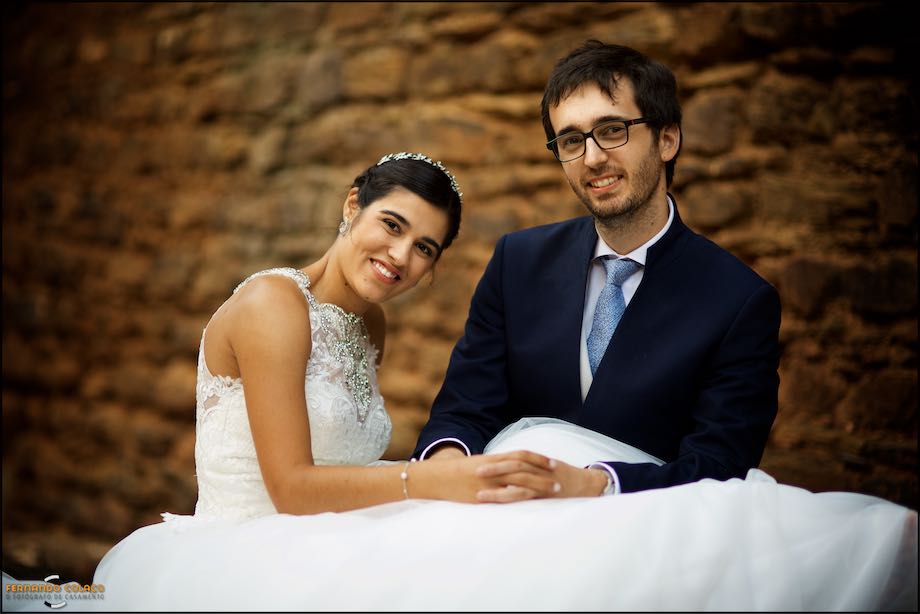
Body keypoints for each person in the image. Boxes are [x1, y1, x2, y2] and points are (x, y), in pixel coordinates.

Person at [414, 40, 782, 499]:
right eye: (571, 140)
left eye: (612, 130)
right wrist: (449, 470)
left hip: (644, 529)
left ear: (667, 140)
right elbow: (463, 410)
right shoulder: (517, 262)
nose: (591, 158)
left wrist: (594, 485)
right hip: (502, 519)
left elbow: (720, 463)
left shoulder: (739, 301)